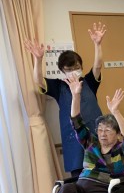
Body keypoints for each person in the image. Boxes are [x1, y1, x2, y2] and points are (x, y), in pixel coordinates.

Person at [25, 23, 108, 177]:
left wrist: (97, 44)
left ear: (81, 66)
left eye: (76, 67)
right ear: (62, 71)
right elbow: (38, 80)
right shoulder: (59, 87)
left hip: (97, 137)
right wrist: (38, 59)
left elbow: (97, 66)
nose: (73, 71)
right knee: (79, 181)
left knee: (103, 178)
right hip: (74, 142)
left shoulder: (89, 82)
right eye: (69, 69)